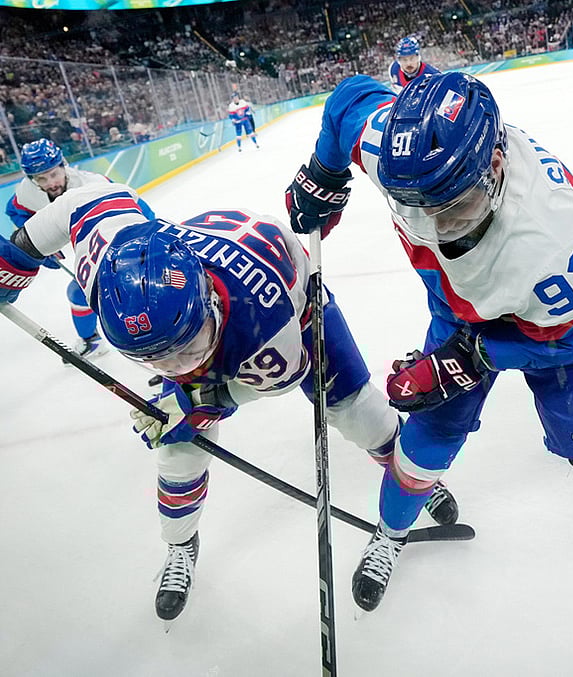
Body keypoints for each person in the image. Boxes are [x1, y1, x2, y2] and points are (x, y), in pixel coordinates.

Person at [285, 71, 573, 612]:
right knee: (427, 438)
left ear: (496, 169)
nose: (435, 228)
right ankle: (391, 532)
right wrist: (324, 174)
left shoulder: (552, 242)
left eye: (453, 208)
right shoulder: (407, 157)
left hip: (561, 329)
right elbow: (348, 100)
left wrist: (473, 357)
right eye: (415, 208)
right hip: (460, 308)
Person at [0, 180, 459, 625]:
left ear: (205, 300)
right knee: (177, 456)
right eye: (156, 359)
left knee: (356, 412)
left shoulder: (270, 325)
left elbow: (281, 378)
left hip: (294, 300)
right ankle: (181, 546)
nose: (180, 365)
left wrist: (203, 401)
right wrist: (13, 261)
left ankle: (407, 478)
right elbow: (81, 202)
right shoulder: (108, 261)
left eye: (187, 346)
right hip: (210, 288)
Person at [4, 138, 152, 358]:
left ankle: (151, 334)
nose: (50, 183)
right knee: (79, 292)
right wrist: (38, 244)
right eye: (41, 178)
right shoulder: (27, 191)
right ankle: (92, 341)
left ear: (64, 165)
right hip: (78, 233)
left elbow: (143, 213)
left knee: (120, 289)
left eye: (54, 174)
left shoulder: (93, 184)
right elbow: (17, 211)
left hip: (113, 235)